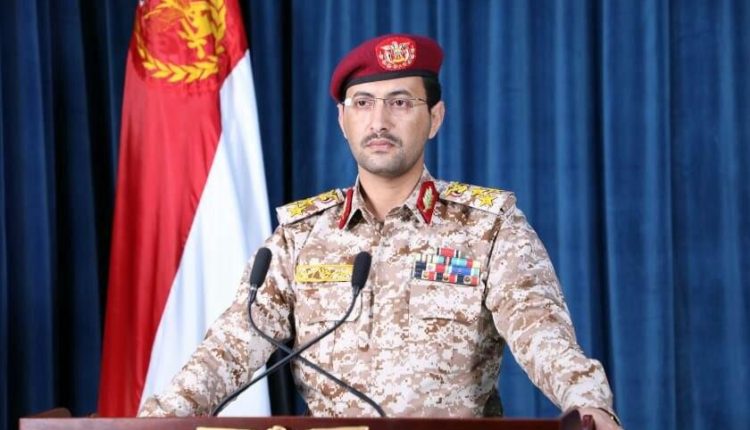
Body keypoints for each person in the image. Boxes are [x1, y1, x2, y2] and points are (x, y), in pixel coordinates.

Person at [139, 33, 622, 429]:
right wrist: (157, 421)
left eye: (400, 102)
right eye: (363, 102)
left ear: (434, 118)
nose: (379, 121)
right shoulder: (300, 237)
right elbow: (231, 346)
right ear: (342, 120)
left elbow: (542, 334)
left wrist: (588, 404)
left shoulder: (487, 227)